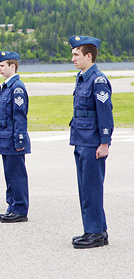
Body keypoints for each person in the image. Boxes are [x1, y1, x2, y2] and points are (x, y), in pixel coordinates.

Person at [68, 35, 113, 249]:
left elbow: (105, 114)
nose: (73, 58)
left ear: (89, 55)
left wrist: (104, 143)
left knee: (91, 189)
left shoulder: (98, 80)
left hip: (93, 143)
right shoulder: (82, 77)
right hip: (81, 140)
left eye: (76, 54)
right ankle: (98, 230)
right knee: (86, 188)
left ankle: (93, 233)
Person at [0, 51, 31, 223]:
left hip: (13, 138)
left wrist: (20, 140)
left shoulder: (17, 88)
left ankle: (20, 209)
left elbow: (19, 116)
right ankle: (12, 206)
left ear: (12, 66)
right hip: (5, 137)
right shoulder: (7, 87)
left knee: (17, 175)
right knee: (9, 175)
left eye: (2, 65)